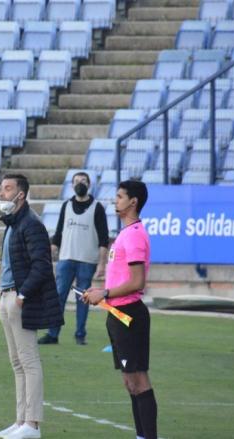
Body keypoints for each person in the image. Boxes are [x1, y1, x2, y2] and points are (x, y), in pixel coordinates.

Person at [82, 180, 158, 439]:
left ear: (133, 202)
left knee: (138, 380)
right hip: (116, 314)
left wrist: (103, 293)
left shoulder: (135, 235)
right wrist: (99, 294)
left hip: (130, 316)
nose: (115, 201)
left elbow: (137, 282)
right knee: (129, 382)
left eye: (120, 196)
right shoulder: (126, 233)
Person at [0, 174, 64, 439]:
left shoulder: (31, 224)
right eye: (2, 188)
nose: (2, 193)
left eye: (7, 189)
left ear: (21, 194)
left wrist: (22, 295)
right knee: (17, 362)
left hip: (19, 299)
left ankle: (32, 424)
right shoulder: (13, 223)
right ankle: (21, 419)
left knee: (29, 360)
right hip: (7, 296)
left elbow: (42, 265)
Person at [38, 171, 109, 346]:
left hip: (87, 260)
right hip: (66, 258)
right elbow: (59, 231)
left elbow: (103, 239)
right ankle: (53, 334)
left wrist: (102, 263)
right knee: (58, 296)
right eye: (76, 181)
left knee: (83, 299)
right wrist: (53, 247)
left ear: (89, 184)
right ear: (72, 185)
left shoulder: (97, 208)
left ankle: (80, 334)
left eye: (83, 180)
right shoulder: (66, 205)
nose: (80, 183)